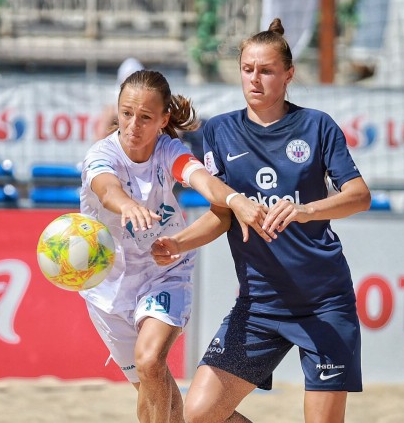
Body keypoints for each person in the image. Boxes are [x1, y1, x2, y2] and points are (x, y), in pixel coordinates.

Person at [150, 18, 372, 423]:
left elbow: (360, 196)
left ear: (288, 75)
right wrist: (179, 243)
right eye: (247, 69)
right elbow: (222, 215)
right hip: (259, 306)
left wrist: (306, 209)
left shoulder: (317, 125)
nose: (254, 79)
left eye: (266, 70)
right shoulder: (220, 131)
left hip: (324, 303)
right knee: (198, 415)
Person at [79, 69, 269, 423]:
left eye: (145, 117)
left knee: (150, 360)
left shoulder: (168, 150)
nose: (133, 125)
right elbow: (107, 189)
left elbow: (202, 180)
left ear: (163, 120)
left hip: (164, 271)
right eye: (126, 113)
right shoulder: (101, 155)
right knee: (155, 386)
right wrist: (127, 205)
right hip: (108, 289)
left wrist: (233, 199)